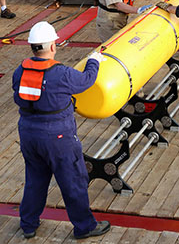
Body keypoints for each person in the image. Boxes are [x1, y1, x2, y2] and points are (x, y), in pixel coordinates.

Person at [12, 21, 110, 240]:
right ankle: (84, 227)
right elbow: (87, 80)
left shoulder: (20, 71)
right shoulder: (62, 74)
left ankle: (28, 224)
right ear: (53, 46)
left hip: (28, 133)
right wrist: (94, 61)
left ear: (32, 47)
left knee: (35, 180)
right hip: (57, 136)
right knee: (72, 180)